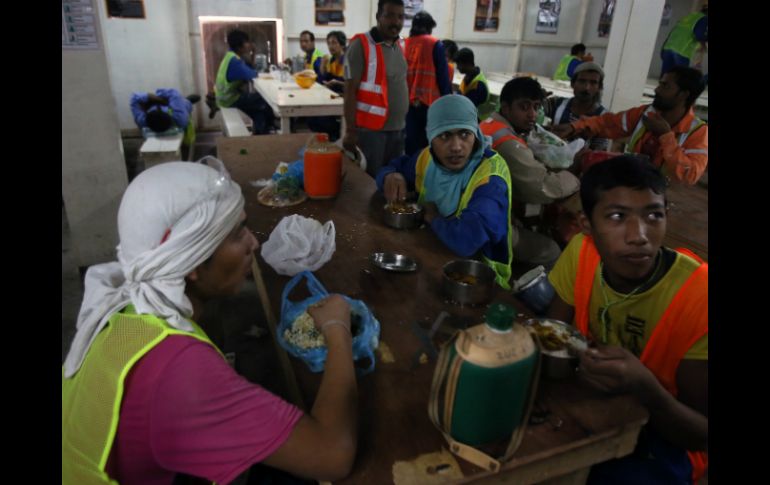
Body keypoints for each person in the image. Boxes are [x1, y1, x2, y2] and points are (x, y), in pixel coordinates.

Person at [62, 160, 358, 484]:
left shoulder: (126, 309)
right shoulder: (180, 371)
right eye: (236, 235)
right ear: (191, 263)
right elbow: (333, 456)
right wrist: (337, 329)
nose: (253, 244)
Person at [546, 155, 707, 484]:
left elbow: (701, 435)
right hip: (594, 407)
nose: (639, 236)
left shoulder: (698, 294)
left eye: (653, 215)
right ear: (586, 225)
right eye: (617, 216)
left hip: (665, 440)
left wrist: (646, 387)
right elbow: (553, 334)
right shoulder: (582, 252)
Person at [376, 94, 514, 289]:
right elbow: (392, 168)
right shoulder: (427, 158)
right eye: (445, 135)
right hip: (431, 262)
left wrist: (432, 216)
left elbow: (466, 240)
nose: (456, 147)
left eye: (464, 134)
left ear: (476, 133)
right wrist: (391, 176)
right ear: (431, 137)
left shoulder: (490, 178)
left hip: (478, 283)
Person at [479, 77, 578, 267]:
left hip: (485, 206)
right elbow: (544, 188)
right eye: (524, 107)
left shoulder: (490, 124)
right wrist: (574, 174)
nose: (532, 114)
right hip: (487, 221)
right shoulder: (506, 140)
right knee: (552, 251)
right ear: (506, 108)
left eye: (536, 107)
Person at [551, 66, 708, 185]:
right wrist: (574, 127)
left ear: (683, 95)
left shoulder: (698, 132)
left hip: (663, 193)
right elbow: (608, 123)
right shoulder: (646, 112)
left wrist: (666, 136)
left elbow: (690, 175)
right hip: (633, 181)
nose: (657, 89)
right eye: (660, 83)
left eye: (665, 86)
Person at [343, 0, 408, 178]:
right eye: (389, 15)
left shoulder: (399, 46)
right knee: (370, 182)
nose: (396, 21)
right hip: (371, 132)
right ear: (378, 16)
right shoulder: (361, 45)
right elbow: (349, 91)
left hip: (398, 129)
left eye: (401, 16)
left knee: (391, 179)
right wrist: (350, 130)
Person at [404, 10, 452, 155]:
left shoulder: (404, 44)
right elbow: (443, 75)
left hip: (408, 102)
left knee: (410, 140)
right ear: (429, 27)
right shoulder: (434, 43)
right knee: (429, 142)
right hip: (430, 102)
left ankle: (411, 170)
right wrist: (448, 100)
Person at [215, 29, 275, 135]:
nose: (249, 45)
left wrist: (254, 53)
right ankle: (268, 129)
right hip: (230, 99)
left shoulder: (231, 56)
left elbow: (250, 69)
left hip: (225, 97)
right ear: (239, 47)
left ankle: (262, 134)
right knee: (266, 100)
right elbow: (252, 74)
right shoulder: (235, 62)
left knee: (258, 111)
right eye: (247, 42)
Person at [542, 62, 611, 152]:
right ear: (572, 83)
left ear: (599, 87)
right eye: (582, 81)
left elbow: (598, 152)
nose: (587, 87)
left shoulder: (603, 117)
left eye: (593, 83)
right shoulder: (556, 103)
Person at [307, 31, 347, 141]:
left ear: (342, 44)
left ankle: (335, 137)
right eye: (329, 43)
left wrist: (337, 83)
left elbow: (352, 85)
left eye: (334, 43)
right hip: (331, 97)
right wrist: (322, 68)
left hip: (344, 98)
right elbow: (323, 81)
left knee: (321, 119)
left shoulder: (347, 61)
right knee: (311, 117)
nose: (331, 46)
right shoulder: (331, 60)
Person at [130, 89, 200, 150]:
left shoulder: (142, 121)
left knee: (178, 103)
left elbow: (134, 97)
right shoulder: (179, 118)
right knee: (184, 104)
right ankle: (188, 100)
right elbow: (174, 93)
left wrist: (155, 100)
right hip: (178, 107)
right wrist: (161, 99)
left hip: (154, 108)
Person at [660, 3, 708, 75]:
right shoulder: (704, 19)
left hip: (668, 47)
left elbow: (676, 30)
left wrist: (663, 48)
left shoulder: (691, 16)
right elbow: (699, 34)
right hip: (682, 51)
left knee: (665, 77)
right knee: (679, 79)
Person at [455, 47, 496, 121]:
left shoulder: (478, 84)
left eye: (459, 64)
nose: (457, 67)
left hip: (478, 120)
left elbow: (468, 107)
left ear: (467, 63)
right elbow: (460, 93)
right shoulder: (468, 75)